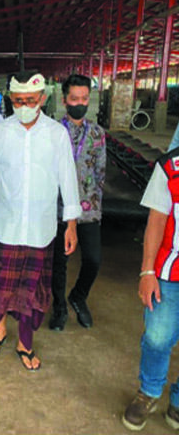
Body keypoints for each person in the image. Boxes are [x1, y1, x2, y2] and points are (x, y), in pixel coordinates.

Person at [0, 71, 81, 371]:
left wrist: (71, 223)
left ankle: (25, 340)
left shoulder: (56, 134)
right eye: (19, 100)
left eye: (30, 100)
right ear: (10, 99)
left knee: (33, 286)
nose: (24, 105)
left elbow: (68, 179)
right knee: (2, 280)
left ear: (42, 99)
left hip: (41, 227)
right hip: (6, 225)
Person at [122, 147, 179, 431]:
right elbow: (156, 220)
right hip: (170, 272)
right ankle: (150, 392)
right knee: (158, 337)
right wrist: (147, 271)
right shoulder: (170, 167)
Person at [49, 75, 106, 331]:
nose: (80, 103)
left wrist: (95, 202)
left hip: (88, 207)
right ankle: (59, 306)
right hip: (59, 208)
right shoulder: (52, 132)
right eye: (74, 99)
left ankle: (79, 296)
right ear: (64, 100)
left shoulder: (97, 133)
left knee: (93, 258)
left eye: (84, 99)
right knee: (59, 261)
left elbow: (100, 172)